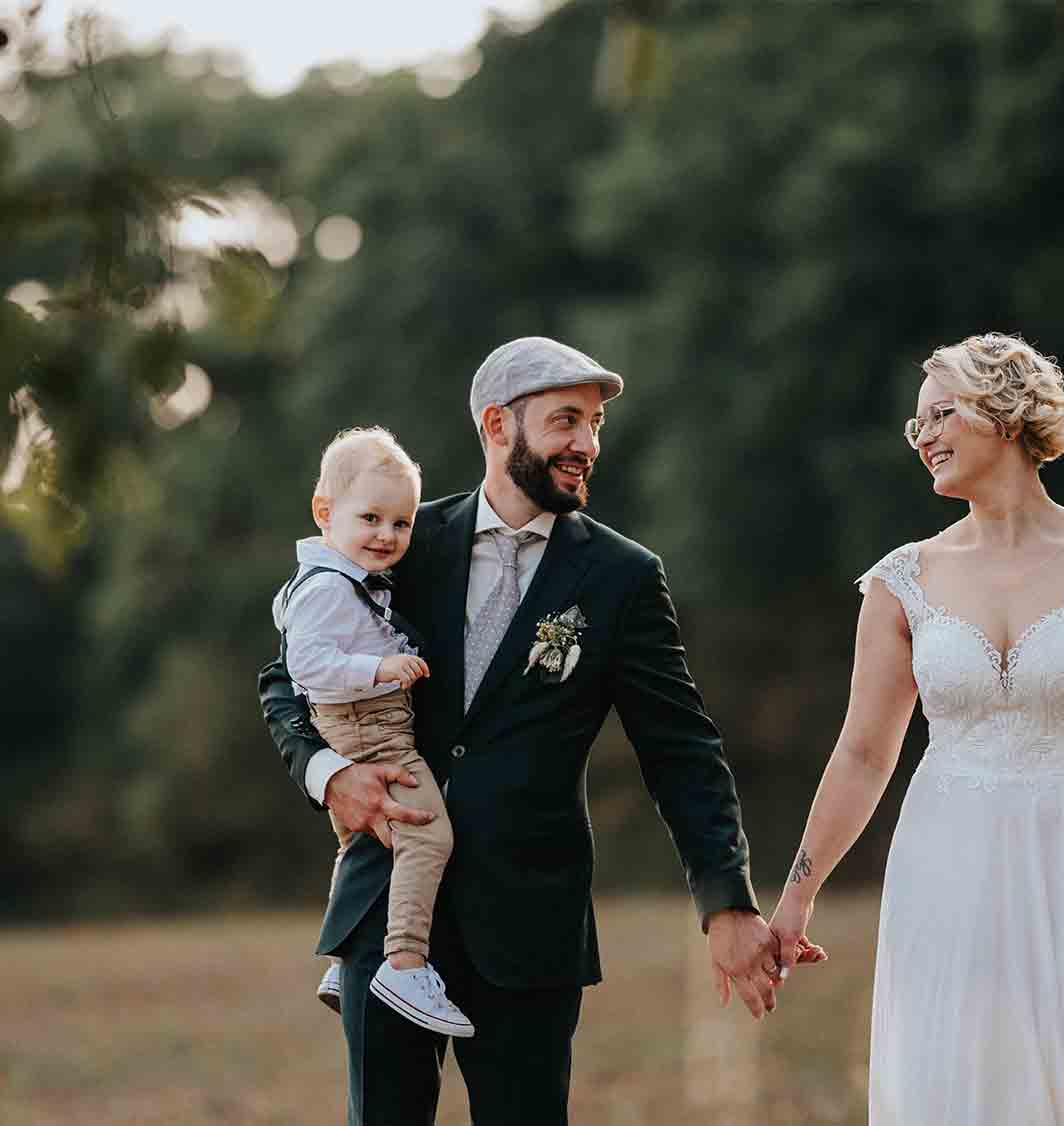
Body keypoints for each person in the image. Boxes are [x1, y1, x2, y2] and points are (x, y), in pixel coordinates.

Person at [258, 337, 800, 1126]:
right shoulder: (399, 538)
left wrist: (726, 902)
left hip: (530, 925)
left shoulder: (621, 577)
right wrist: (328, 775)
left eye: (595, 424)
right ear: (497, 426)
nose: (588, 444)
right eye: (566, 421)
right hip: (386, 906)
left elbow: (681, 749)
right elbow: (287, 674)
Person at [769, 332, 1064, 1124]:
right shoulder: (900, 582)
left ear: (1007, 412)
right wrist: (795, 901)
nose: (922, 436)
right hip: (951, 872)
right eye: (915, 423)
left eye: (941, 414)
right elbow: (863, 753)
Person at [270, 425, 471, 1038]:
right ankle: (405, 963)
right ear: (324, 512)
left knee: (358, 844)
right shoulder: (329, 588)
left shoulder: (341, 576)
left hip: (357, 725)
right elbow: (303, 665)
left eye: (401, 523)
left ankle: (341, 958)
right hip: (370, 729)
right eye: (371, 519)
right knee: (428, 835)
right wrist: (379, 668)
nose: (387, 535)